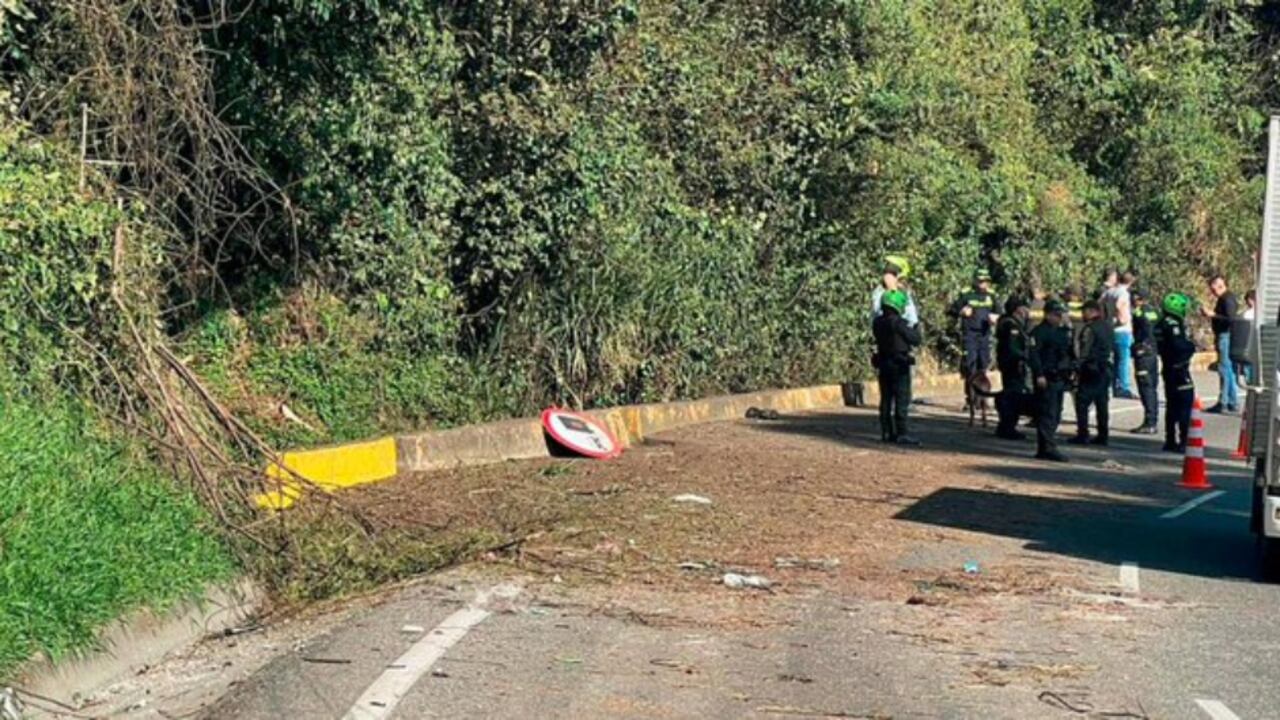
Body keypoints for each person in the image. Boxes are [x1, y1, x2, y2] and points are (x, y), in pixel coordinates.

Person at [873, 289, 922, 446]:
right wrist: (915, 327)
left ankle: (886, 431)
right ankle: (902, 433)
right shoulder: (899, 323)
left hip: (883, 362)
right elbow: (915, 339)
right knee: (902, 399)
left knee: (886, 399)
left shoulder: (877, 322)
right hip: (899, 364)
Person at [1028, 299, 1075, 462]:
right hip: (1046, 377)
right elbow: (1034, 355)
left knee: (1056, 413)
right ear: (1047, 314)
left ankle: (1046, 446)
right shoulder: (1039, 332)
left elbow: (1067, 354)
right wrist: (1039, 374)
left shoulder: (1062, 332)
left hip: (1059, 377)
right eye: (1056, 314)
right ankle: (1047, 448)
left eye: (1060, 315)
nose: (1059, 317)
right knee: (1047, 413)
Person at [949, 269, 1000, 398]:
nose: (984, 284)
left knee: (983, 364)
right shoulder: (966, 294)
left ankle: (982, 396)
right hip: (969, 335)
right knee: (970, 365)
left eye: (986, 281)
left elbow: (1000, 312)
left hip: (984, 335)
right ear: (975, 280)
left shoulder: (992, 295)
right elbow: (952, 310)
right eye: (981, 281)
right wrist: (962, 312)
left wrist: (995, 317)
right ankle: (970, 397)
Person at [1159, 292, 1198, 452]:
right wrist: (1191, 346)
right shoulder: (1172, 324)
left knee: (1172, 404)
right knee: (1184, 402)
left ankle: (1170, 439)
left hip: (1169, 368)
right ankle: (1182, 440)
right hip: (1177, 369)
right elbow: (1178, 346)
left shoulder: (1162, 323)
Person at [1070, 300, 1112, 446]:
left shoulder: (1090, 329)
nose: (1082, 314)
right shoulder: (1107, 326)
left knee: (1082, 402)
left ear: (1091, 311)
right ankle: (1103, 434)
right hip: (1105, 368)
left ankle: (1083, 434)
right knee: (1102, 403)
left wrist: (1077, 367)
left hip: (1091, 369)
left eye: (1084, 311)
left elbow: (1085, 351)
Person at [995, 295, 1032, 441]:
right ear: (1018, 310)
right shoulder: (1011, 325)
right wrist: (1025, 356)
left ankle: (1006, 426)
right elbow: (1013, 347)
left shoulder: (1008, 322)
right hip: (1013, 365)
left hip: (1010, 364)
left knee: (1010, 395)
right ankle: (1008, 427)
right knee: (1012, 397)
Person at [1200, 274, 1239, 413]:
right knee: (1227, 369)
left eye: (1213, 287)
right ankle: (1232, 401)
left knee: (1224, 369)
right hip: (1223, 335)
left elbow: (1230, 319)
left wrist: (1212, 315)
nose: (1212, 291)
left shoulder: (1227, 299)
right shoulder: (1224, 298)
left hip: (1225, 336)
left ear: (1220, 284)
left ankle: (1223, 401)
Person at [1129, 288, 1160, 434]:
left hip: (1143, 353)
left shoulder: (1139, 313)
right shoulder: (1155, 312)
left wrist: (1139, 347)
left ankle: (1150, 422)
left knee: (1146, 387)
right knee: (1152, 387)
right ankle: (1153, 420)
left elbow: (1141, 332)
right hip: (1153, 352)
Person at [1105, 271, 1137, 399]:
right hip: (1122, 330)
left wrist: (1106, 318)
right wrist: (1121, 319)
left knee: (1112, 360)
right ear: (1131, 281)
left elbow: (1100, 302)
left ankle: (1111, 385)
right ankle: (1123, 387)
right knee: (1123, 360)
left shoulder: (1110, 291)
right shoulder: (1123, 293)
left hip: (1110, 329)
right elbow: (1119, 305)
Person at [871, 254, 919, 327]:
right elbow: (877, 315)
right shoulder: (879, 292)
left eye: (891, 273)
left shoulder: (905, 294)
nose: (887, 277)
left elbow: (912, 323)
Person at [1241, 289, 1257, 386]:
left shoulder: (1247, 314)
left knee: (1248, 364)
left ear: (1250, 300)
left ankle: (1250, 381)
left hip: (1248, 343)